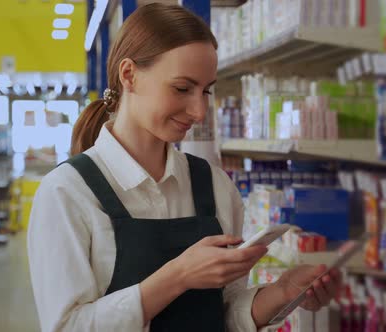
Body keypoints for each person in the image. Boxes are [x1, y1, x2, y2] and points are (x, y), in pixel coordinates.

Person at [27, 3, 342, 332]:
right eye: (182, 88)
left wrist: (281, 293)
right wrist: (178, 276)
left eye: (206, 90)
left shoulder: (215, 186)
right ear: (129, 75)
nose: (199, 111)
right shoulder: (67, 193)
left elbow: (224, 311)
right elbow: (67, 326)